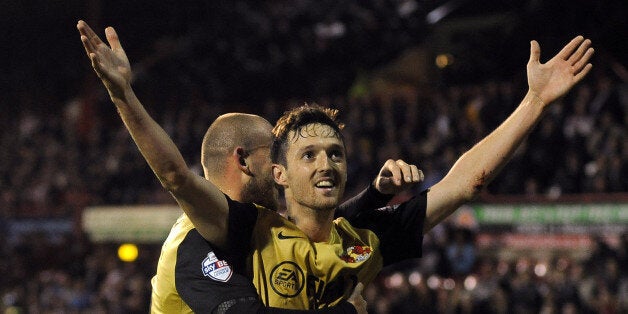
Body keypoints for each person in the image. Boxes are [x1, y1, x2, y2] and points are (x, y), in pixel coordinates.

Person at [79, 18, 594, 310]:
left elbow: (464, 182)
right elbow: (175, 176)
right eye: (309, 155)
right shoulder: (240, 232)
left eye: (335, 154)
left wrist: (533, 104)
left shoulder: (360, 238)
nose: (326, 164)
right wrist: (123, 93)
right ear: (278, 174)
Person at [77, 20, 421, 313]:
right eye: (274, 153)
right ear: (242, 160)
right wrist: (123, 94)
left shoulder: (251, 227)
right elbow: (175, 176)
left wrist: (374, 194)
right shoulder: (197, 240)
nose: (282, 167)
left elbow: (318, 222)